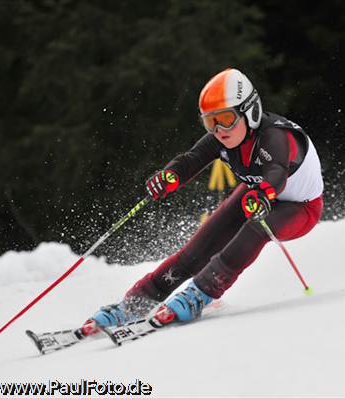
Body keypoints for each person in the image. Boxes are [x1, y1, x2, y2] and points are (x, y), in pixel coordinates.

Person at [81, 68, 324, 335]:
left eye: (226, 119)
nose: (219, 130)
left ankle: (203, 292)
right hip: (255, 194)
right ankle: (137, 302)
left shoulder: (275, 137)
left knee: (255, 227)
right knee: (198, 247)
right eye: (211, 122)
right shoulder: (224, 138)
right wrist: (169, 176)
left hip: (300, 206)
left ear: (250, 111)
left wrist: (265, 193)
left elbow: (277, 171)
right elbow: (192, 159)